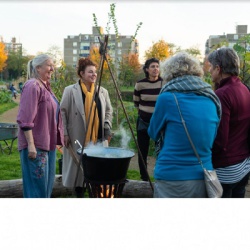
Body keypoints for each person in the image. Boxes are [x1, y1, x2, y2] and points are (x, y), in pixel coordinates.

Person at [148, 52, 221, 198]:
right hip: (203, 175)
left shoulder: (167, 98)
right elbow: (211, 137)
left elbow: (153, 132)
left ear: (170, 74)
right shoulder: (212, 99)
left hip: (171, 177)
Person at [60, 58, 113, 197]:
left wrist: (107, 126)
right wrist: (64, 133)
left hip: (98, 137)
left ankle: (95, 194)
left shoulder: (102, 91)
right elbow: (62, 113)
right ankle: (79, 194)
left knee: (97, 167)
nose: (94, 75)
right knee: (79, 168)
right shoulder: (70, 90)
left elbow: (108, 111)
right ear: (81, 73)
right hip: (77, 135)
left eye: (95, 72)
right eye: (90, 72)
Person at [17, 54, 64, 198]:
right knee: (37, 190)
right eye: (49, 65)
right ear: (38, 68)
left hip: (47, 146)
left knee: (45, 189)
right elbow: (25, 119)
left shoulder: (46, 87)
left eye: (53, 65)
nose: (52, 68)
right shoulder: (33, 86)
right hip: (36, 146)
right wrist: (31, 145)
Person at [208, 47, 250, 198]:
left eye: (211, 67)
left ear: (218, 68)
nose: (209, 71)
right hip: (244, 165)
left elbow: (220, 139)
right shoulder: (244, 88)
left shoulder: (222, 94)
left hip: (226, 169)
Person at [133, 58, 163, 181]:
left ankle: (160, 176)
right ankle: (144, 178)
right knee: (142, 151)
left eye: (157, 66)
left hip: (160, 123)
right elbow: (136, 103)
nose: (156, 69)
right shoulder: (140, 84)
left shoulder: (164, 83)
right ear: (147, 69)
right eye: (152, 66)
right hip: (143, 123)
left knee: (161, 151)